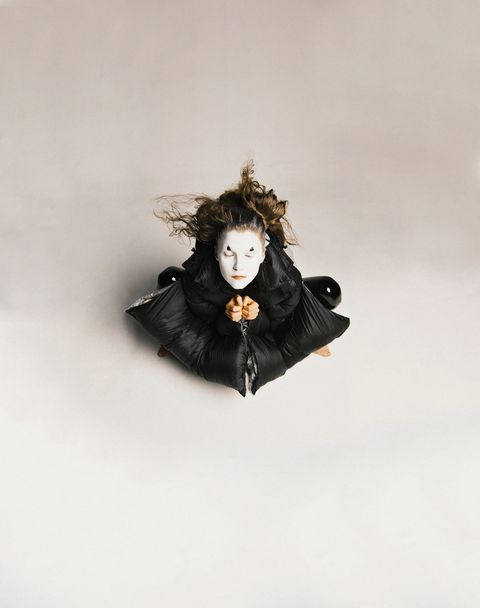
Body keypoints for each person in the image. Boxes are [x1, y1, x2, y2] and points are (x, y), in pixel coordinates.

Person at [125, 159, 350, 396]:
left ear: (263, 253)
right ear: (216, 252)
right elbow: (202, 323)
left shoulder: (284, 281)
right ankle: (169, 341)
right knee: (168, 280)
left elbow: (279, 325)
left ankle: (314, 340)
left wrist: (255, 316)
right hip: (217, 325)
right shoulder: (199, 281)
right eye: (228, 252)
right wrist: (227, 316)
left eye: (250, 253)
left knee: (328, 291)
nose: (238, 265)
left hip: (270, 320)